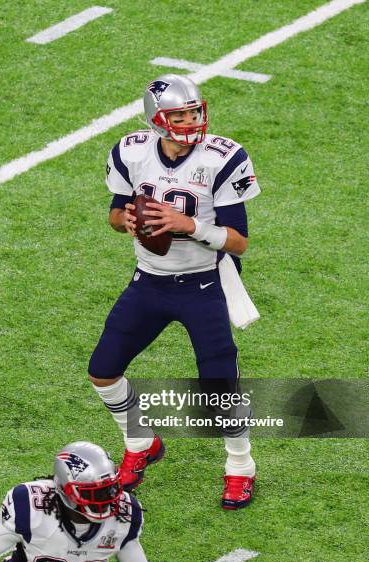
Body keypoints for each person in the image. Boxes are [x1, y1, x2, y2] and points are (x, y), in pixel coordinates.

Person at [88, 74, 261, 509]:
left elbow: (239, 241)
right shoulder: (131, 151)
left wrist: (192, 227)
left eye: (193, 111)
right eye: (179, 114)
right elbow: (115, 212)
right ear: (156, 120)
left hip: (205, 284)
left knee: (219, 385)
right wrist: (125, 221)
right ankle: (140, 442)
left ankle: (241, 466)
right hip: (149, 280)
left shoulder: (223, 157)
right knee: (103, 371)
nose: (190, 120)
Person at [0, 441, 179, 562]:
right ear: (65, 490)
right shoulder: (31, 508)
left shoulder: (124, 515)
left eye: (108, 490)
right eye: (93, 494)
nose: (105, 500)